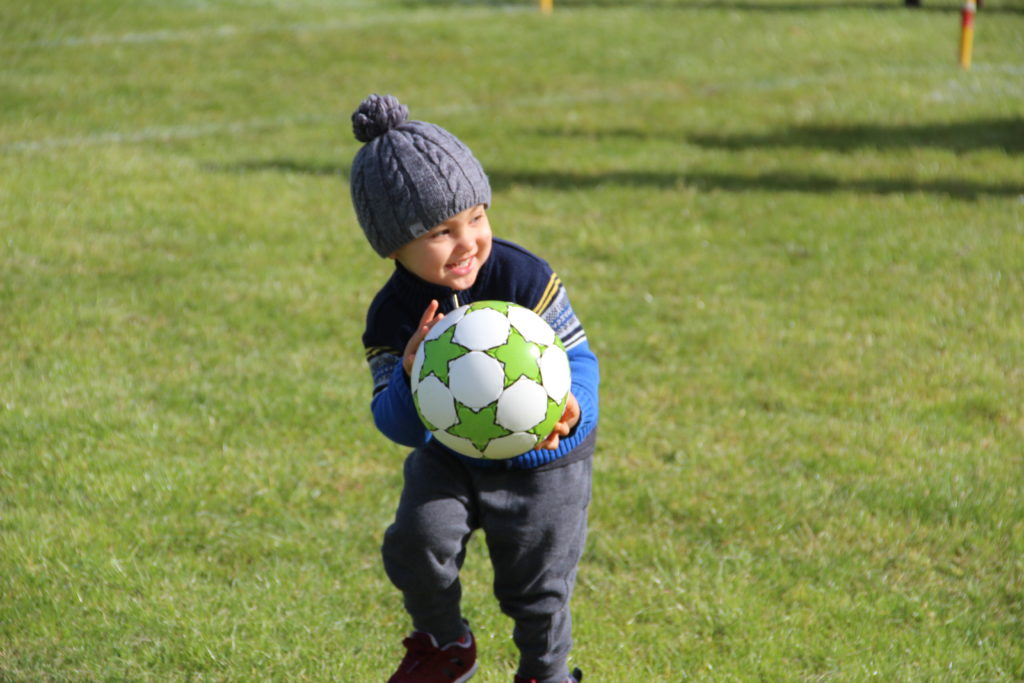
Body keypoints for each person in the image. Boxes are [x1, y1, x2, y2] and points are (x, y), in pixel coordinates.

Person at [348, 93, 599, 683]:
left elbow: (580, 357)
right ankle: (444, 643)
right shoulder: (391, 316)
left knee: (536, 591)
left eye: (477, 218)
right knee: (414, 545)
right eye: (440, 231)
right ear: (392, 244)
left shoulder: (522, 276)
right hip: (450, 457)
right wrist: (410, 375)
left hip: (545, 462)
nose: (467, 243)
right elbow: (395, 424)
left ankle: (546, 673)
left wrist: (575, 409)